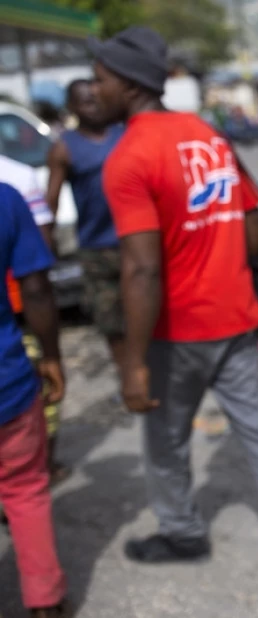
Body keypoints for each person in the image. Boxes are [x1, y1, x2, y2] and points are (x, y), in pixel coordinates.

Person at [89, 26, 258, 597]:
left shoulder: (129, 157)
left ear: (129, 84)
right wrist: (221, 265)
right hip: (238, 318)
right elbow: (251, 223)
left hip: (176, 331)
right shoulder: (207, 134)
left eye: (100, 80)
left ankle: (182, 533)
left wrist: (133, 362)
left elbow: (141, 270)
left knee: (165, 440)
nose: (94, 90)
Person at [0, 181, 68, 618]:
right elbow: (38, 288)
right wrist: (52, 356)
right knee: (25, 489)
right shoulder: (6, 199)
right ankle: (45, 602)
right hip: (7, 381)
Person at [46, 79, 126, 366]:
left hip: (135, 242)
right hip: (96, 249)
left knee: (148, 313)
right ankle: (127, 375)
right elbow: (52, 200)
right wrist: (48, 244)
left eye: (96, 100)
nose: (93, 107)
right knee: (111, 322)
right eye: (85, 102)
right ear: (72, 107)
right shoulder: (64, 148)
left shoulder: (124, 134)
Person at [0, 154, 65, 480]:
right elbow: (41, 254)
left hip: (17, 310)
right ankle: (42, 465)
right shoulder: (17, 178)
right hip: (19, 314)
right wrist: (53, 355)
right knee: (35, 396)